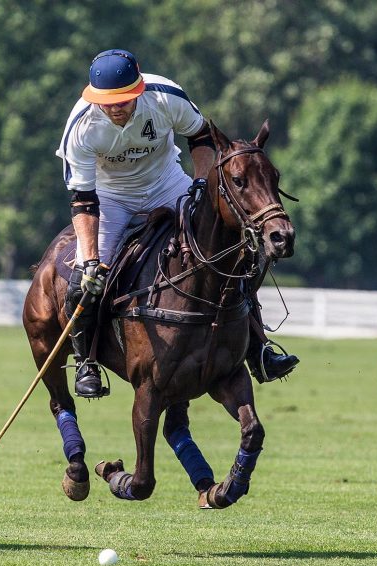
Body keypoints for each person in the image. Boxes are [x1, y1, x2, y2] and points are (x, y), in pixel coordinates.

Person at [56, 49, 299, 398]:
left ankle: (259, 349)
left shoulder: (165, 96)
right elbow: (83, 200)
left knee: (232, 252)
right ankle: (86, 363)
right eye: (108, 102)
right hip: (110, 197)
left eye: (123, 99)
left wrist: (200, 183)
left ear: (138, 89)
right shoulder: (81, 127)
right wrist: (92, 259)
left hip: (167, 183)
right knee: (86, 281)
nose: (115, 107)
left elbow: (200, 137)